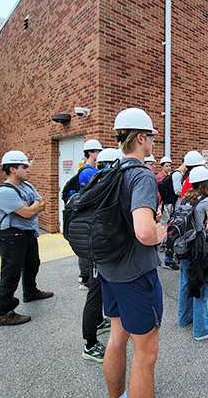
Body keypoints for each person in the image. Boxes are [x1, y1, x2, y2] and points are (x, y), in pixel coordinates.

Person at [100, 107, 167, 398]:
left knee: (117, 337)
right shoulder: (142, 175)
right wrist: (158, 234)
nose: (153, 142)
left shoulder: (110, 171)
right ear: (140, 138)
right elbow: (143, 230)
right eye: (151, 136)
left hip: (108, 269)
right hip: (135, 275)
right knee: (145, 354)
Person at [0, 150, 53, 326]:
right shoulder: (4, 192)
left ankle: (30, 292)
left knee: (32, 264)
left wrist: (32, 207)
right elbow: (27, 214)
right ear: (12, 169)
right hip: (11, 237)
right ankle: (5, 312)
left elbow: (41, 203)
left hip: (27, 234)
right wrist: (31, 209)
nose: (28, 170)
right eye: (24, 167)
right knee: (10, 274)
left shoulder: (27, 186)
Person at [80, 148, 122, 362]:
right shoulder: (103, 187)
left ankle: (98, 323)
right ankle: (89, 344)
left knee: (99, 296)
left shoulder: (94, 184)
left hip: (94, 250)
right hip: (98, 253)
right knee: (94, 297)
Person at [177, 166, 208, 340]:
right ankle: (201, 329)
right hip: (198, 249)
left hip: (184, 247)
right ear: (206, 183)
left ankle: (184, 318)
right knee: (202, 286)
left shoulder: (184, 199)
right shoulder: (207, 202)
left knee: (185, 283)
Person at [162, 151, 205, 270]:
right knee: (182, 235)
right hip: (185, 210)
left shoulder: (187, 178)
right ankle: (172, 258)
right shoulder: (189, 178)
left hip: (184, 209)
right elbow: (182, 193)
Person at [77, 139, 103, 290]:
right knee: (87, 247)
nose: (99, 154)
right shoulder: (87, 171)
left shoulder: (91, 170)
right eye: (97, 151)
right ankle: (85, 277)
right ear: (90, 153)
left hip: (90, 213)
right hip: (88, 214)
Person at [156, 156, 173, 252]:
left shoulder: (168, 177)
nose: (168, 168)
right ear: (162, 166)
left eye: (170, 166)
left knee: (168, 221)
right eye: (166, 166)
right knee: (163, 222)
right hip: (161, 203)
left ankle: (166, 241)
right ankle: (162, 242)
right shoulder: (159, 177)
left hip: (167, 202)